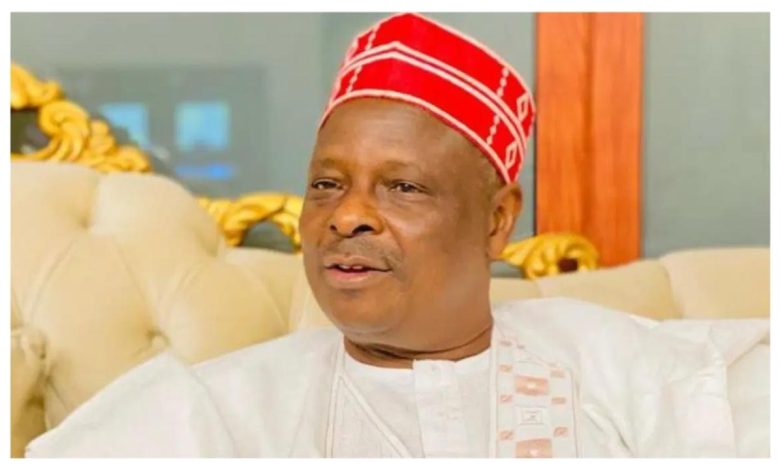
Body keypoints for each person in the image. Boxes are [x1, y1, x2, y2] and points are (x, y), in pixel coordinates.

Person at [26, 13, 768, 458]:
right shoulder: (215, 413)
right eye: (326, 184)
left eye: (402, 187)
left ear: (497, 221)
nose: (347, 216)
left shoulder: (632, 367)